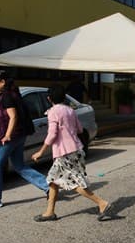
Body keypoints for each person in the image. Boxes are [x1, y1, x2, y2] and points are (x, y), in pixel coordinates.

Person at [31, 84, 112, 222]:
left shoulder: (53, 112)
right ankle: (49, 212)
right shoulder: (70, 110)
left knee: (74, 184)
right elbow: (80, 129)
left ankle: (102, 203)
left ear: (49, 99)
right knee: (52, 180)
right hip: (76, 149)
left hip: (64, 153)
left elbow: (52, 134)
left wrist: (40, 151)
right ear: (63, 98)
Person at [0, 70, 49, 209]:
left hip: (10, 138)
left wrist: (7, 134)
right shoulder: (14, 93)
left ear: (2, 82)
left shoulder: (7, 97)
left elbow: (13, 116)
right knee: (19, 166)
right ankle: (48, 186)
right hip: (19, 136)